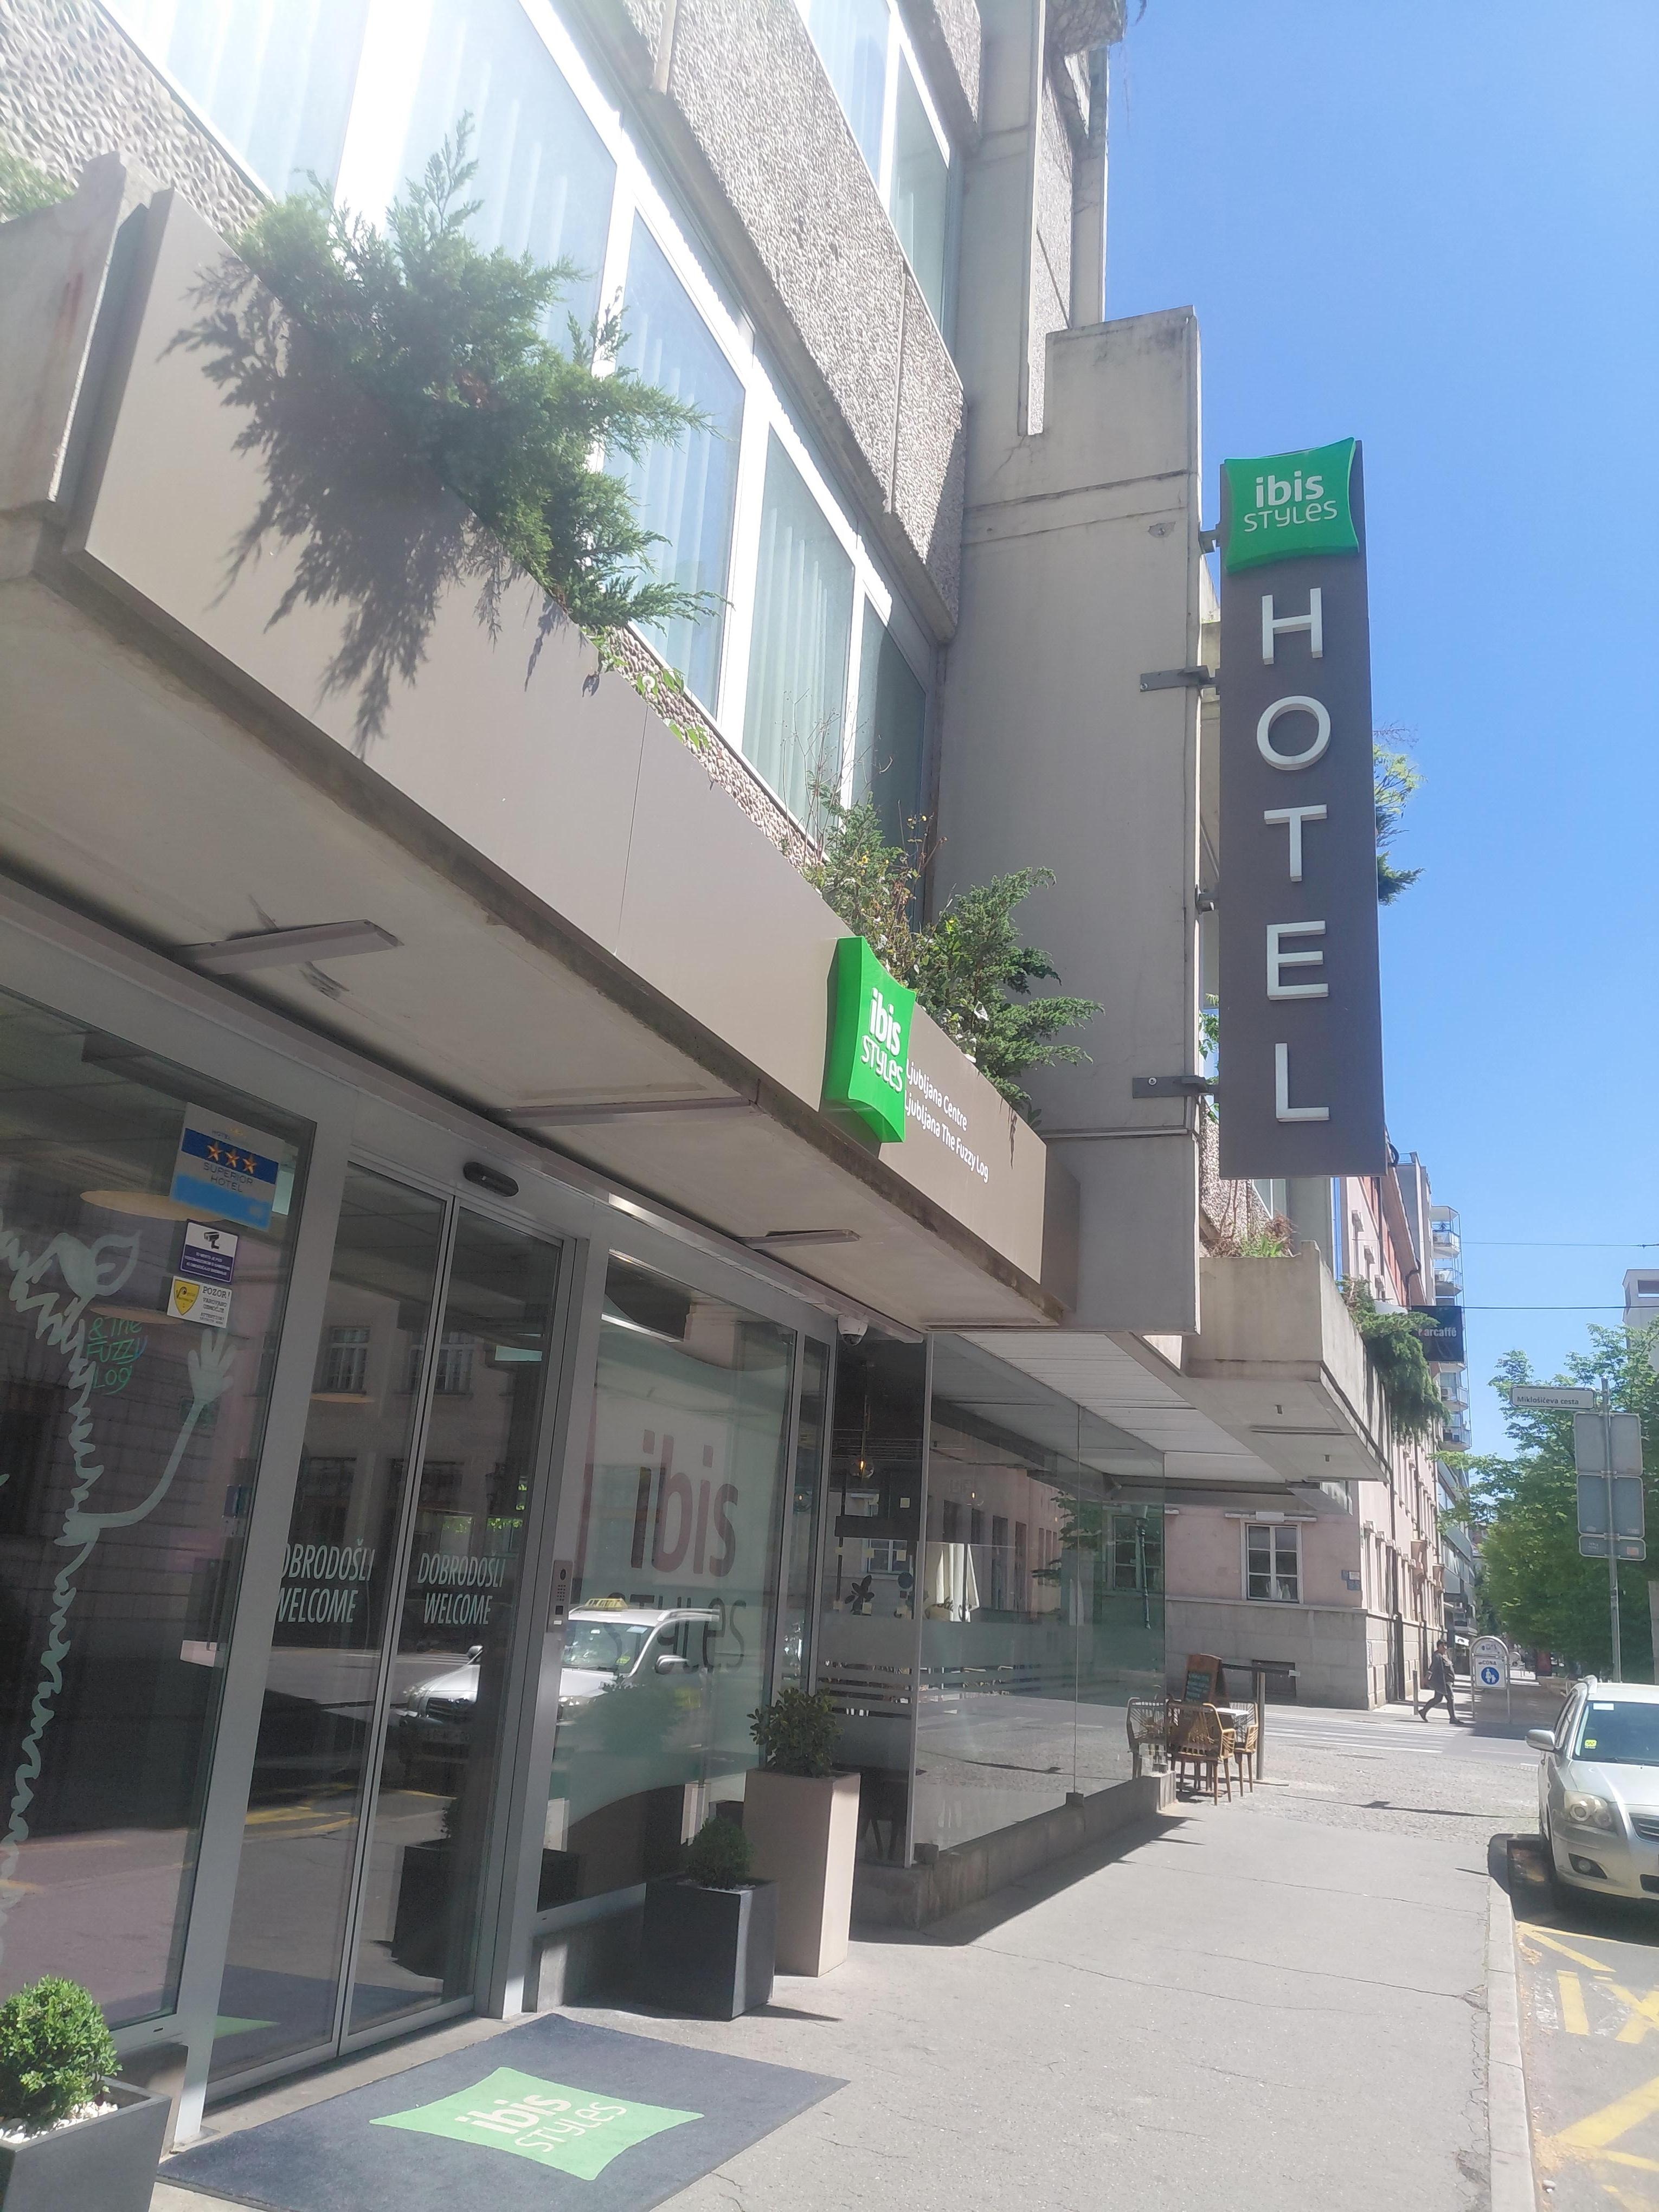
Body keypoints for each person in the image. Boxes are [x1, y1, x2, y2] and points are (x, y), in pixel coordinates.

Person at [1417, 1639, 1462, 1724]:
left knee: (1437, 1699)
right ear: (1439, 1647)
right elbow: (1432, 1667)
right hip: (1443, 1682)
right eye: (1444, 1646)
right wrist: (1426, 1678)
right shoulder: (1438, 1656)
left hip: (1445, 1682)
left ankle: (1424, 1711)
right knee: (1450, 1698)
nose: (1445, 1648)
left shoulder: (1444, 1655)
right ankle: (1453, 1718)